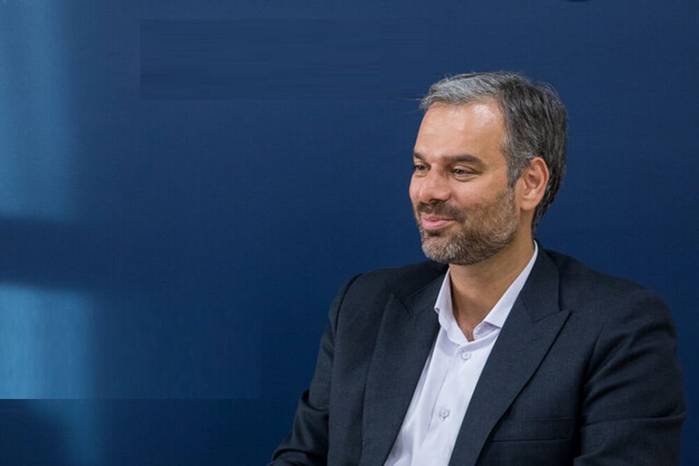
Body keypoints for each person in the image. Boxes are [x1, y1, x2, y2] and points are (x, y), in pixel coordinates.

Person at [270, 72, 685, 465]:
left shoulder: (618, 329)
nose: (429, 191)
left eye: (460, 171)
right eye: (421, 167)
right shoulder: (364, 306)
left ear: (531, 183)